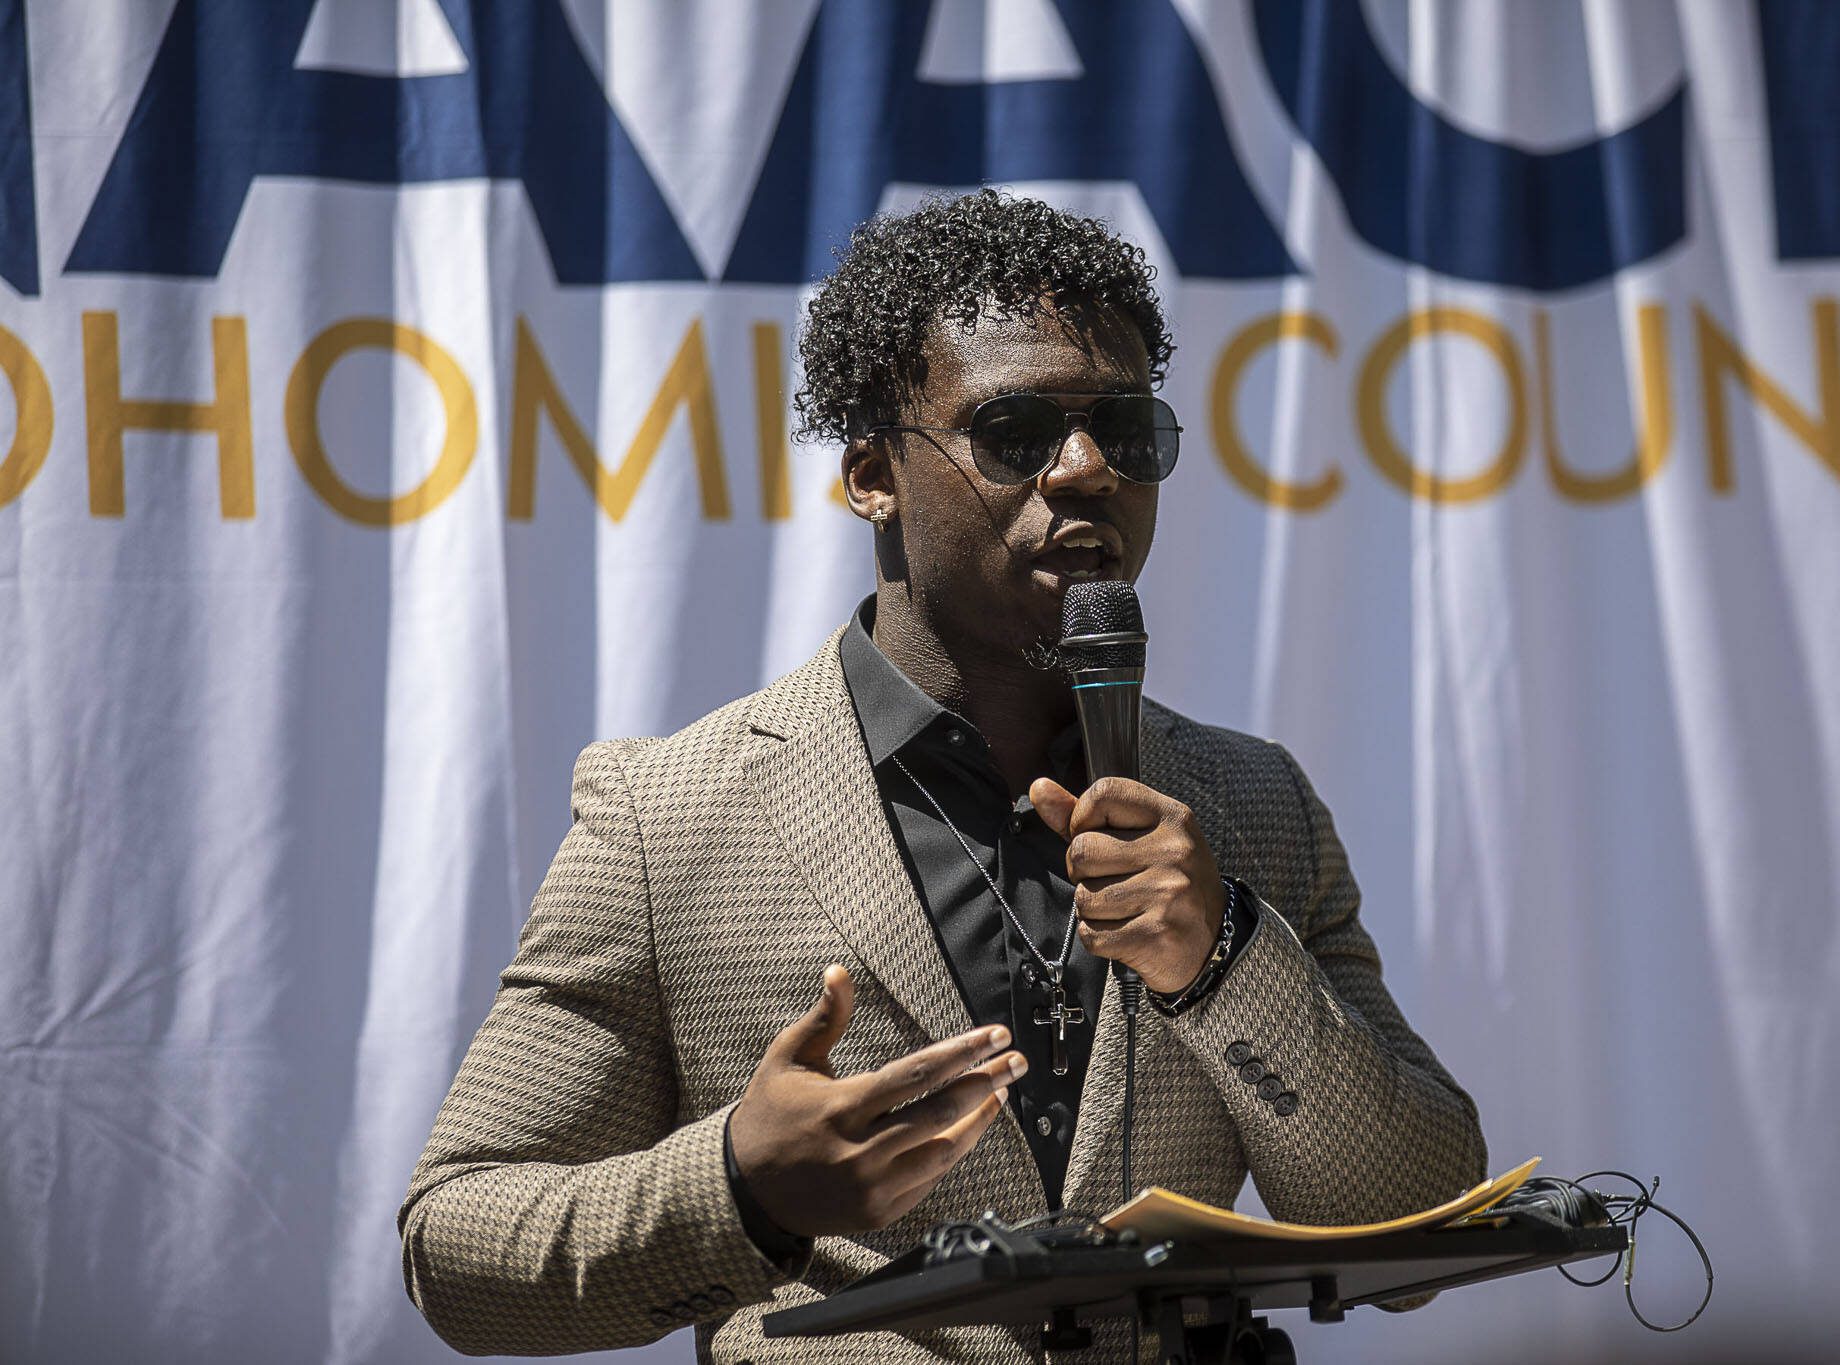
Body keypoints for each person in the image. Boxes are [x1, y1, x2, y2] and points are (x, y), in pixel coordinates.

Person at [396, 189, 1486, 1362]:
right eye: (1014, 432)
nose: (1083, 471)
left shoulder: (1251, 807)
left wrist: (1221, 957)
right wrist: (741, 1187)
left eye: (1127, 431)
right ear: (873, 477)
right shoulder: (672, 818)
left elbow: (1416, 1217)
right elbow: (457, 1248)